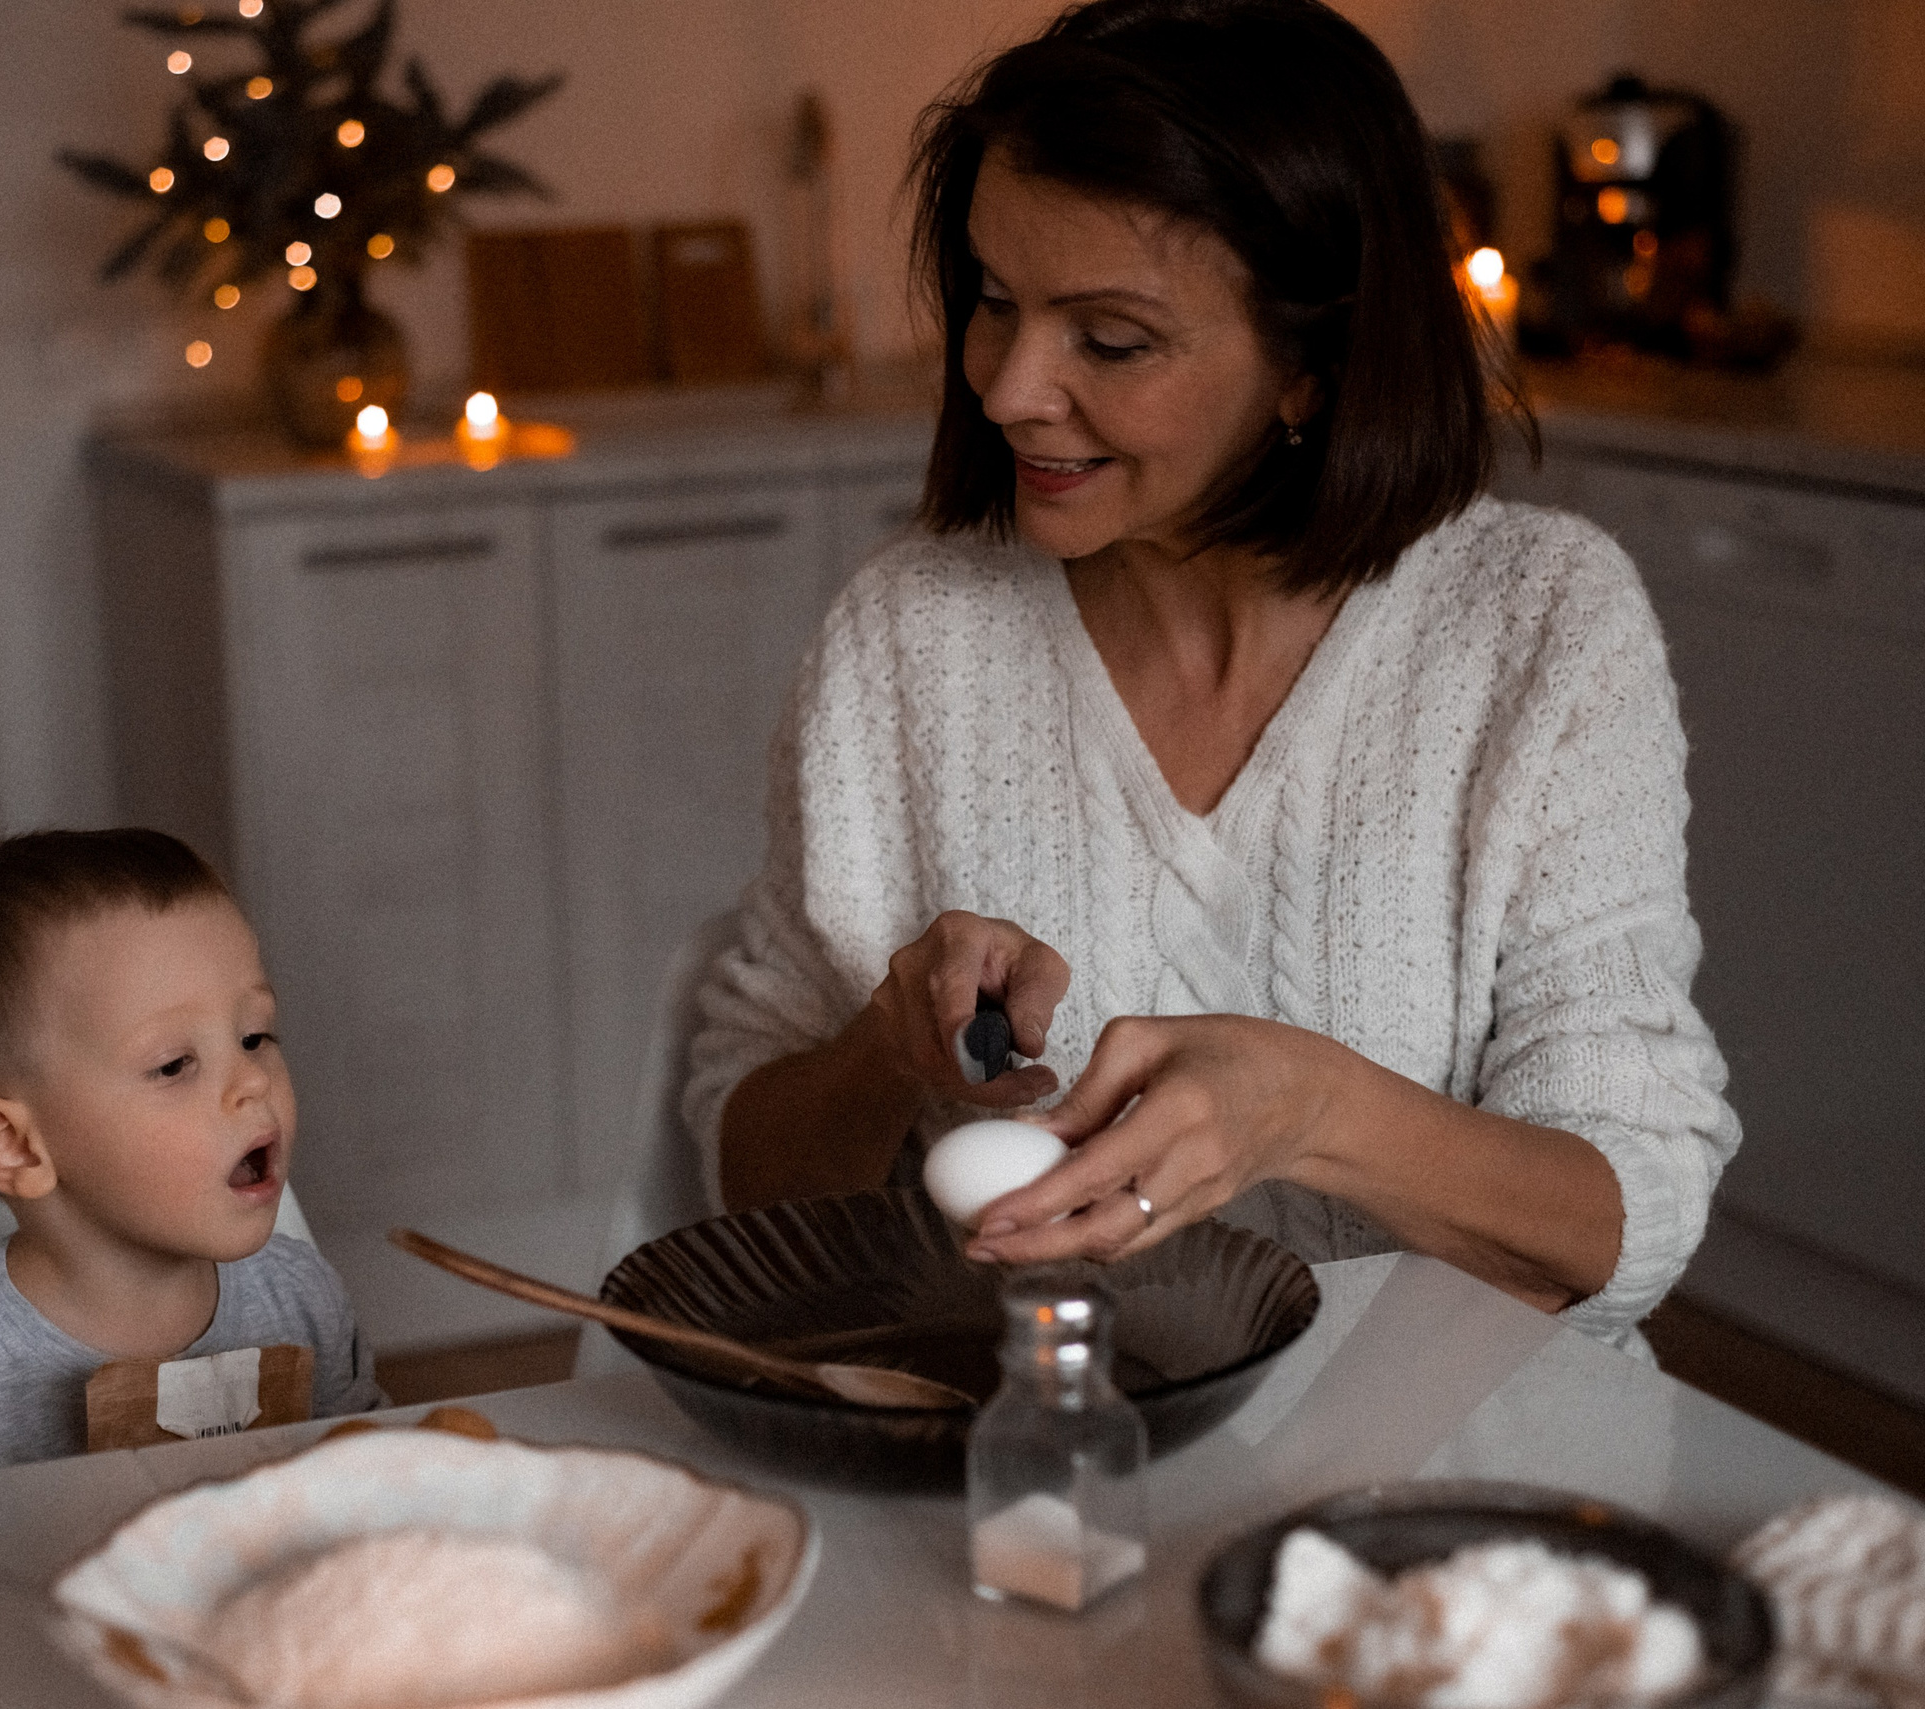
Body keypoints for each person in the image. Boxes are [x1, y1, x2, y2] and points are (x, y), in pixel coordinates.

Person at [689, 0, 1737, 1353]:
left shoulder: (1536, 625)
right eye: (995, 302)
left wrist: (1310, 1109)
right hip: (1040, 1445)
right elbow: (747, 1172)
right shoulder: (910, 633)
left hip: (1449, 1477)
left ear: (1312, 362)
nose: (1009, 386)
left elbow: (1628, 1213)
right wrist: (887, 1048)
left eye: (1109, 340)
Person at [0, 828, 382, 1490]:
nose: (253, 1081)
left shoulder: (305, 1300)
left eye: (254, 1036)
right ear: (16, 1145)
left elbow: (374, 1507)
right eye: (175, 1064)